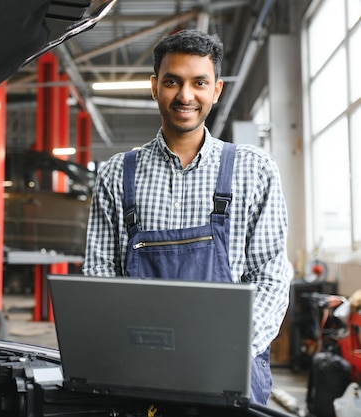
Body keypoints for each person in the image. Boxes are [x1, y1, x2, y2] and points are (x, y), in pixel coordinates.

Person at [82, 29, 293, 405]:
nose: (185, 95)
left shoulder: (254, 170)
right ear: (154, 86)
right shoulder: (116, 174)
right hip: (139, 370)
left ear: (216, 90)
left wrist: (228, 350)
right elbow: (100, 277)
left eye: (199, 82)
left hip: (230, 370)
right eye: (172, 82)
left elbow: (271, 275)